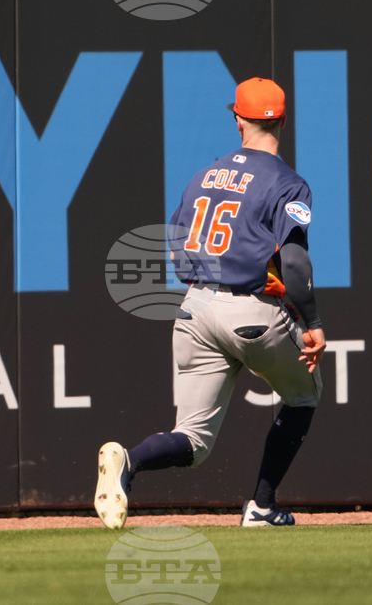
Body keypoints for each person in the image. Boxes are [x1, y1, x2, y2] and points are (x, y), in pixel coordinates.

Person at [95, 77, 326, 528]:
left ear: (238, 119)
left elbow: (178, 245)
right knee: (302, 395)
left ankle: (130, 460)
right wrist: (313, 319)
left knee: (193, 442)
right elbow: (295, 263)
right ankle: (260, 507)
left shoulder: (204, 176)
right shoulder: (287, 183)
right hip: (251, 311)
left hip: (195, 308)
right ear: (281, 119)